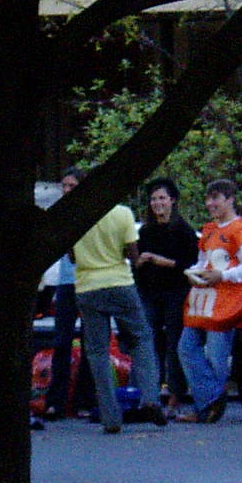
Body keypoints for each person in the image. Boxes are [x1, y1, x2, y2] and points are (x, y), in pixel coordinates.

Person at [70, 185, 168, 433]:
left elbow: (72, 256)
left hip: (87, 286)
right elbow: (131, 254)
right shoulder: (122, 213)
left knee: (97, 352)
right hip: (120, 283)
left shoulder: (76, 216)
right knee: (142, 339)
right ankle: (149, 397)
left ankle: (110, 417)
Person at [179, 179, 242, 423]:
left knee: (217, 355)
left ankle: (207, 407)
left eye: (215, 198)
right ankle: (211, 400)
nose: (210, 203)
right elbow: (203, 261)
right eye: (208, 198)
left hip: (226, 303)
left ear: (230, 199)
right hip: (204, 300)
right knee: (186, 347)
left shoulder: (240, 232)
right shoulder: (210, 231)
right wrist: (195, 274)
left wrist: (222, 275)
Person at [133, 177, 197, 407]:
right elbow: (136, 263)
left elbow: (190, 264)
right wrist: (139, 261)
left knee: (174, 343)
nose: (157, 203)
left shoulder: (184, 231)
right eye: (153, 199)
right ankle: (149, 392)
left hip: (176, 292)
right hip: (149, 292)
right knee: (148, 340)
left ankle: (176, 393)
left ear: (172, 201)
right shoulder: (146, 231)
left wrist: (163, 261)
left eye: (162, 198)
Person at [41, 168, 91, 420]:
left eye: (72, 186)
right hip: (67, 282)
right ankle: (56, 401)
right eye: (65, 186)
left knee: (91, 341)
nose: (67, 191)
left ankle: (85, 399)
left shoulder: (91, 214)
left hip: (90, 280)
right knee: (62, 342)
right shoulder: (60, 215)